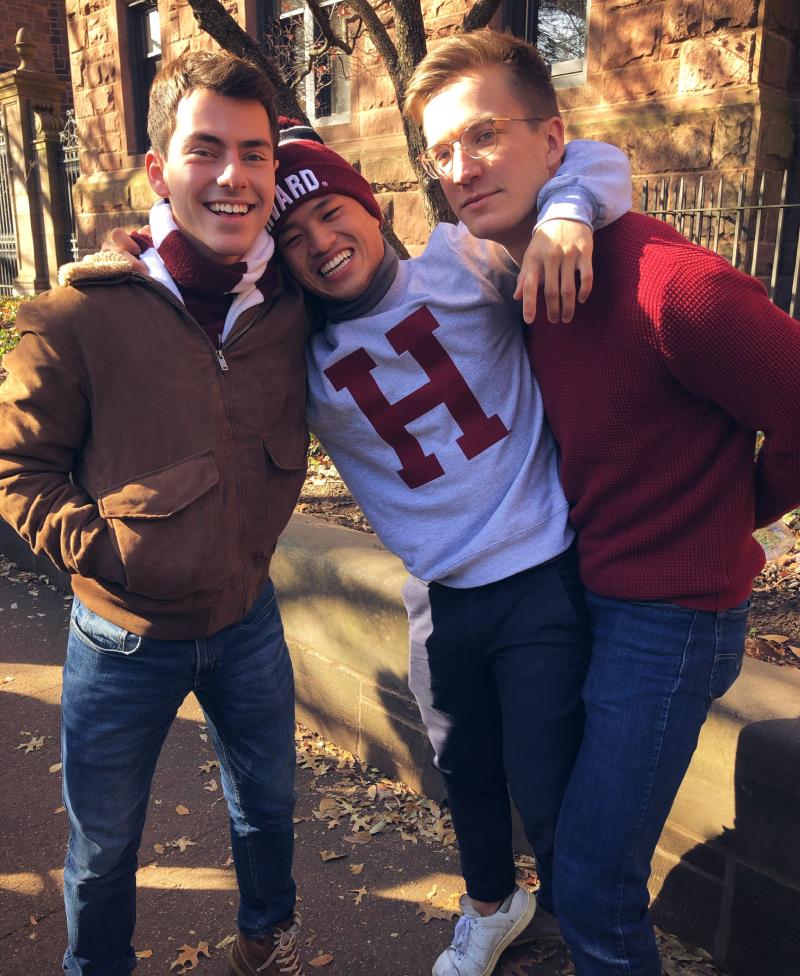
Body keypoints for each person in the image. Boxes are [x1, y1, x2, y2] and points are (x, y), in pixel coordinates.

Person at [107, 131, 632, 976]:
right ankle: (493, 909)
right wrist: (142, 236)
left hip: (537, 571)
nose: (319, 241)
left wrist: (568, 213)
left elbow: (595, 158)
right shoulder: (293, 349)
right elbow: (196, 285)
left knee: (546, 781)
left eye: (331, 211)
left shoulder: (469, 262)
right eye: (294, 237)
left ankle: (592, 935)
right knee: (463, 769)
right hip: (438, 592)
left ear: (375, 203)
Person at [402, 27, 800, 976]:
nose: (462, 167)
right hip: (577, 590)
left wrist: (728, 511)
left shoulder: (674, 285)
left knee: (588, 878)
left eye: (485, 134)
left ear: (555, 140)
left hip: (671, 619)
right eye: (442, 151)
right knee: (568, 839)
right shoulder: (509, 276)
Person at [0, 52, 310, 976]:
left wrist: (571, 206)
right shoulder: (76, 315)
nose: (232, 176)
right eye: (205, 149)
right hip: (122, 636)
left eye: (254, 154)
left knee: (268, 808)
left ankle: (267, 938)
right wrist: (114, 555)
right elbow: (18, 470)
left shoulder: (293, 300)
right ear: (158, 171)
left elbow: (378, 243)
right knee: (103, 847)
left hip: (248, 617)